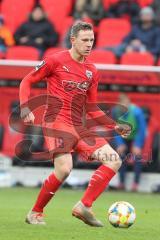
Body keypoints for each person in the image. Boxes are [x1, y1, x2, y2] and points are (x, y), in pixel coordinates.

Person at [19, 21, 131, 227]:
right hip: (56, 122)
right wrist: (25, 108)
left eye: (92, 40)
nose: (89, 44)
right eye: (85, 40)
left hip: (78, 125)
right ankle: (35, 213)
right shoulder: (55, 60)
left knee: (114, 159)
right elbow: (26, 81)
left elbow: (92, 108)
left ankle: (84, 206)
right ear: (73, 40)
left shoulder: (92, 71)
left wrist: (114, 125)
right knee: (64, 168)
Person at [112, 93, 147, 191]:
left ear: (129, 102)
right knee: (121, 157)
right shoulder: (115, 111)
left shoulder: (137, 111)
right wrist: (119, 144)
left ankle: (135, 184)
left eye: (126, 104)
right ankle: (121, 183)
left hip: (136, 136)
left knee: (137, 158)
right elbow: (114, 128)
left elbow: (142, 129)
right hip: (123, 137)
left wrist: (138, 145)